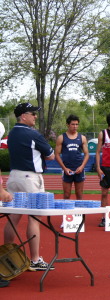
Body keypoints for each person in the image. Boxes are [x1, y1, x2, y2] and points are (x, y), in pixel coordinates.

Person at [3, 103, 55, 271]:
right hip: (30, 178)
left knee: (12, 217)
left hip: (13, 176)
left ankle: (7, 256)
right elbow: (51, 156)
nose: (35, 116)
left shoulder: (12, 134)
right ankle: (34, 259)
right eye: (32, 113)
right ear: (23, 116)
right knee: (34, 218)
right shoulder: (33, 134)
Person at [54, 115, 90, 200]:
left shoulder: (82, 138)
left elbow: (87, 154)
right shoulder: (61, 137)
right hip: (67, 169)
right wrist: (64, 168)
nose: (75, 126)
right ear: (67, 124)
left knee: (79, 194)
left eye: (77, 124)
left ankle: (80, 213)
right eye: (73, 124)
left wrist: (82, 167)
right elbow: (57, 155)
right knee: (66, 194)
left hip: (79, 169)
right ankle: (66, 213)